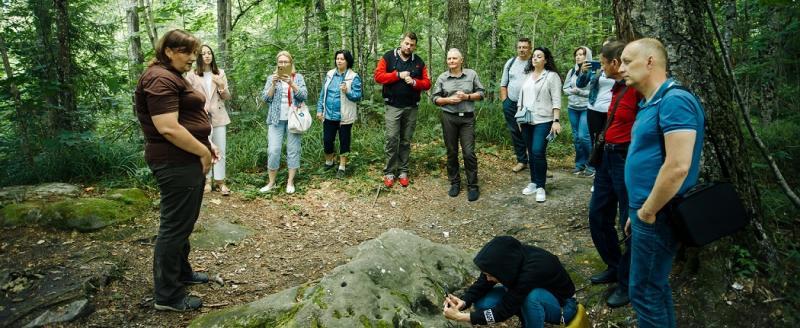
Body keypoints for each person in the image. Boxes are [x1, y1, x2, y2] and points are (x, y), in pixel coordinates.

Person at [619, 38, 705, 327]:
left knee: (643, 292)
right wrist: (637, 211)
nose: (621, 68)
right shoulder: (650, 102)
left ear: (651, 61)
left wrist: (646, 212)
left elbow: (678, 166)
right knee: (653, 287)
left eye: (628, 61)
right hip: (648, 212)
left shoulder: (675, 100)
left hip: (659, 215)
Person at [134, 29, 214, 312]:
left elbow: (187, 118)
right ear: (168, 51)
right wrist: (202, 150)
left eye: (194, 53)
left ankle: (181, 272)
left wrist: (206, 144)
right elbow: (167, 127)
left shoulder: (170, 75)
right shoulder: (159, 78)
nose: (192, 58)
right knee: (174, 226)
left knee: (184, 221)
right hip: (174, 162)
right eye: (187, 53)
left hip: (185, 161)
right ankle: (167, 295)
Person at [586, 40, 641, 308]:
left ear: (614, 63)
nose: (602, 66)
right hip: (607, 158)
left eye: (604, 62)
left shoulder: (638, 91)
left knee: (628, 222)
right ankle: (615, 265)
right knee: (597, 215)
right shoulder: (618, 87)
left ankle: (627, 282)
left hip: (626, 159)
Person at [442, 236, 577, 328]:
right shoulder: (510, 259)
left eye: (490, 275)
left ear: (503, 269)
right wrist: (464, 301)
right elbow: (483, 283)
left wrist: (461, 317)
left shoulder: (533, 270)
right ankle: (528, 315)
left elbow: (504, 311)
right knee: (483, 302)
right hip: (528, 294)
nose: (488, 278)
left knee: (531, 298)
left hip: (563, 307)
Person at [374, 32, 431, 188]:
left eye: (412, 45)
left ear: (415, 46)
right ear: (401, 42)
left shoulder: (418, 62)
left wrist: (413, 82)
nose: (408, 47)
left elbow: (427, 83)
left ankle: (403, 171)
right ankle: (389, 172)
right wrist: (397, 75)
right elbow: (378, 77)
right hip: (393, 105)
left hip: (411, 106)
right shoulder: (388, 57)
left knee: (406, 140)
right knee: (392, 139)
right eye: (406, 43)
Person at [431, 48, 485, 201]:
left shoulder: (471, 74)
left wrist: (467, 96)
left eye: (455, 58)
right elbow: (435, 98)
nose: (452, 61)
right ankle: (455, 183)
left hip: (467, 118)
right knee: (452, 151)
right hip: (449, 117)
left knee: (468, 152)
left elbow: (481, 93)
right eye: (449, 59)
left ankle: (473, 185)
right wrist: (448, 100)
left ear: (461, 60)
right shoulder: (442, 77)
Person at [517, 47, 562, 202]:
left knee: (537, 151)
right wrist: (518, 117)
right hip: (526, 120)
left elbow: (556, 99)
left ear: (546, 60)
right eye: (534, 56)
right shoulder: (527, 76)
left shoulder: (551, 76)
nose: (534, 58)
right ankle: (533, 182)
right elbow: (520, 98)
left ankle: (541, 186)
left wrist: (556, 121)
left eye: (539, 56)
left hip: (544, 120)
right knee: (530, 152)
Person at [186, 45, 232, 196]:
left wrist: (221, 86)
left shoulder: (220, 73)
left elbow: (227, 97)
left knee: (221, 149)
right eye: (203, 53)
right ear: (198, 57)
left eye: (209, 53)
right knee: (205, 149)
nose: (207, 55)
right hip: (201, 116)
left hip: (219, 116)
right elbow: (186, 96)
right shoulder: (192, 75)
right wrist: (198, 105)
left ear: (212, 55)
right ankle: (206, 181)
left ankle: (220, 182)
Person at [259, 51, 308, 194]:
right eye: (280, 62)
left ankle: (290, 182)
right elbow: (265, 99)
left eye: (286, 62)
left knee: (293, 150)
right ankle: (271, 182)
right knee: (273, 150)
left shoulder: (297, 77)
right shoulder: (271, 78)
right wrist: (273, 85)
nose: (283, 64)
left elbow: (304, 95)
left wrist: (292, 84)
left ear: (290, 63)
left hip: (294, 119)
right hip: (276, 120)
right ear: (277, 64)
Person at [315, 50, 363, 178]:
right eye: (337, 58)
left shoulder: (353, 77)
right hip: (329, 115)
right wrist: (320, 109)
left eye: (342, 59)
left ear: (347, 61)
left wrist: (347, 91)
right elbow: (322, 94)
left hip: (344, 117)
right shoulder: (330, 74)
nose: (339, 61)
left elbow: (358, 96)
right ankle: (329, 162)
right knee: (327, 140)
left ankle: (342, 167)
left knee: (344, 142)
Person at [500, 38, 533, 173]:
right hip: (511, 103)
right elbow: (503, 84)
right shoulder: (511, 62)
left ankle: (536, 161)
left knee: (530, 132)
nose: (522, 50)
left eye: (525, 47)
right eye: (519, 47)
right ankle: (521, 161)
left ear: (530, 49)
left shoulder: (534, 62)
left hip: (529, 105)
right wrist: (505, 101)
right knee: (515, 131)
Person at [577, 38, 617, 149]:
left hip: (612, 111)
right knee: (596, 142)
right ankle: (595, 165)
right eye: (604, 47)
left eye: (609, 47)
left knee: (609, 141)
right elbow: (580, 84)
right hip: (594, 109)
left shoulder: (621, 66)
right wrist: (583, 72)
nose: (606, 50)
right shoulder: (597, 66)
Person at [563, 46, 593, 177]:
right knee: (576, 138)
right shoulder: (572, 71)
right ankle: (580, 164)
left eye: (582, 54)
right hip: (572, 108)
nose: (578, 57)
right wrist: (572, 91)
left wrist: (579, 92)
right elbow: (565, 89)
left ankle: (592, 165)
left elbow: (593, 93)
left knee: (584, 137)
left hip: (586, 108)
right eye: (577, 54)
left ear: (588, 57)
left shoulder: (593, 72)